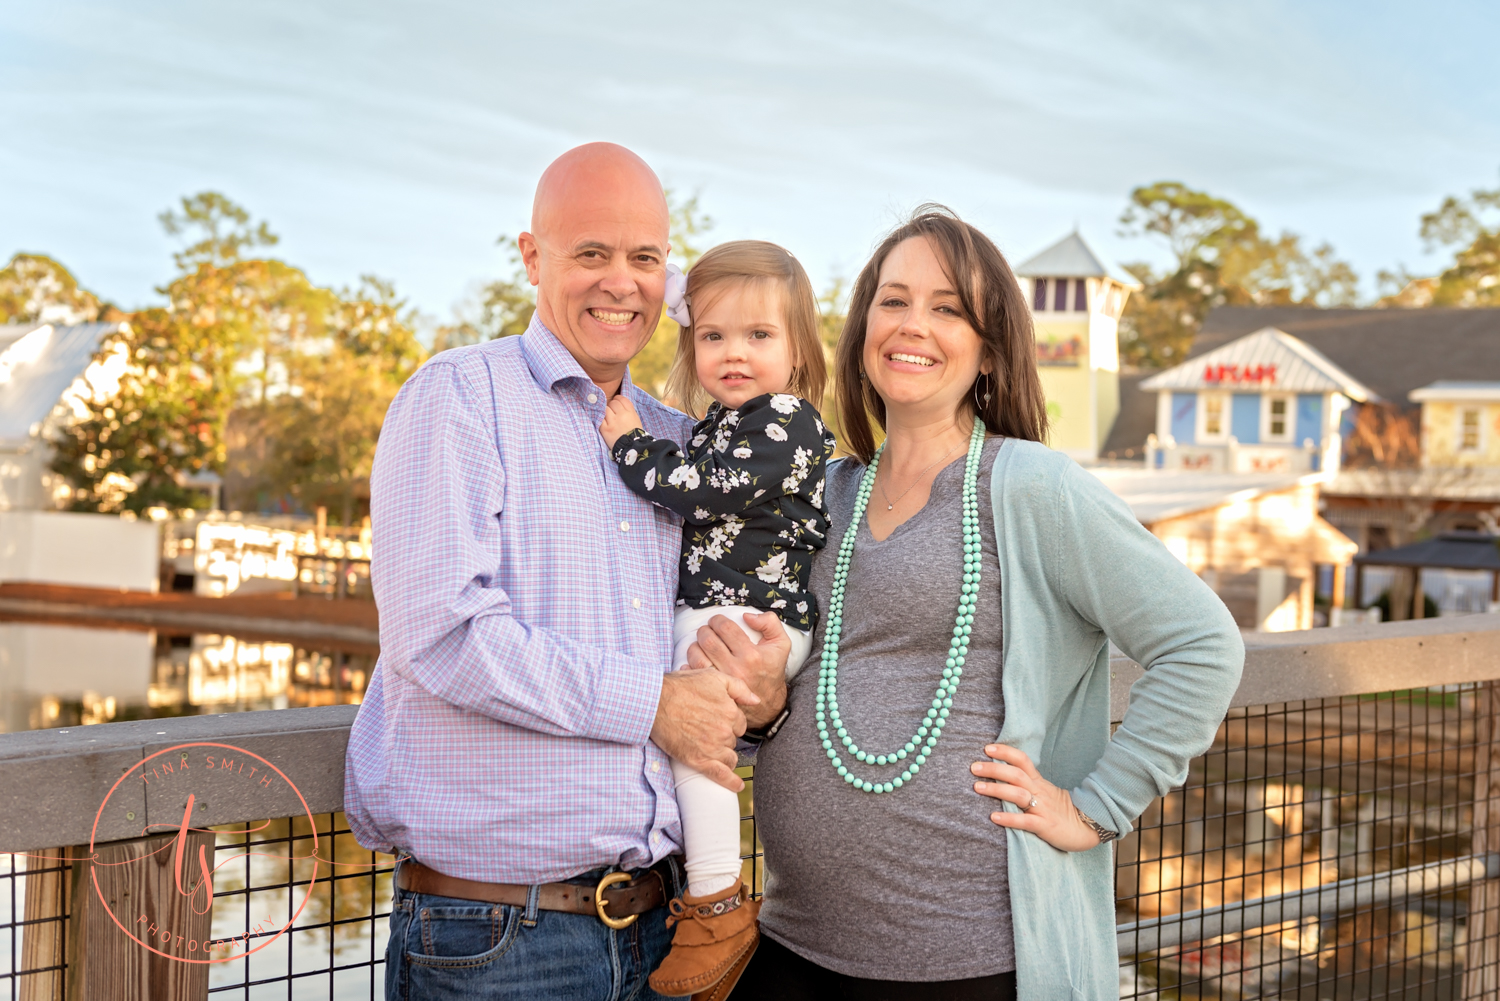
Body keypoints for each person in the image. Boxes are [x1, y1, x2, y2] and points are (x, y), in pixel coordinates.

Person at [726, 206, 1246, 1000]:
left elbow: (1203, 644)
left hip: (971, 961)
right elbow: (799, 676)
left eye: (948, 308)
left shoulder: (1035, 487)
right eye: (892, 300)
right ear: (862, 325)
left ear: (990, 351)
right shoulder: (821, 493)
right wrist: (761, 713)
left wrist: (1098, 808)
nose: (912, 325)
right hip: (794, 945)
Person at [342, 142, 791, 1001]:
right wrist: (654, 701)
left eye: (645, 258)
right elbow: (442, 633)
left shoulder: (680, 441)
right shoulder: (459, 397)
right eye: (591, 253)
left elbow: (719, 636)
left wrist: (758, 691)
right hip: (502, 939)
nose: (620, 281)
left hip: (667, 929)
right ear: (532, 257)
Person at [599, 240, 837, 997]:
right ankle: (707, 890)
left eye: (759, 336)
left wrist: (628, 444)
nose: (734, 352)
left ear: (799, 349)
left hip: (754, 616)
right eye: (713, 335)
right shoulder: (729, 419)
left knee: (695, 731)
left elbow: (700, 493)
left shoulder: (785, 422)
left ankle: (715, 902)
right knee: (690, 735)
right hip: (733, 610)